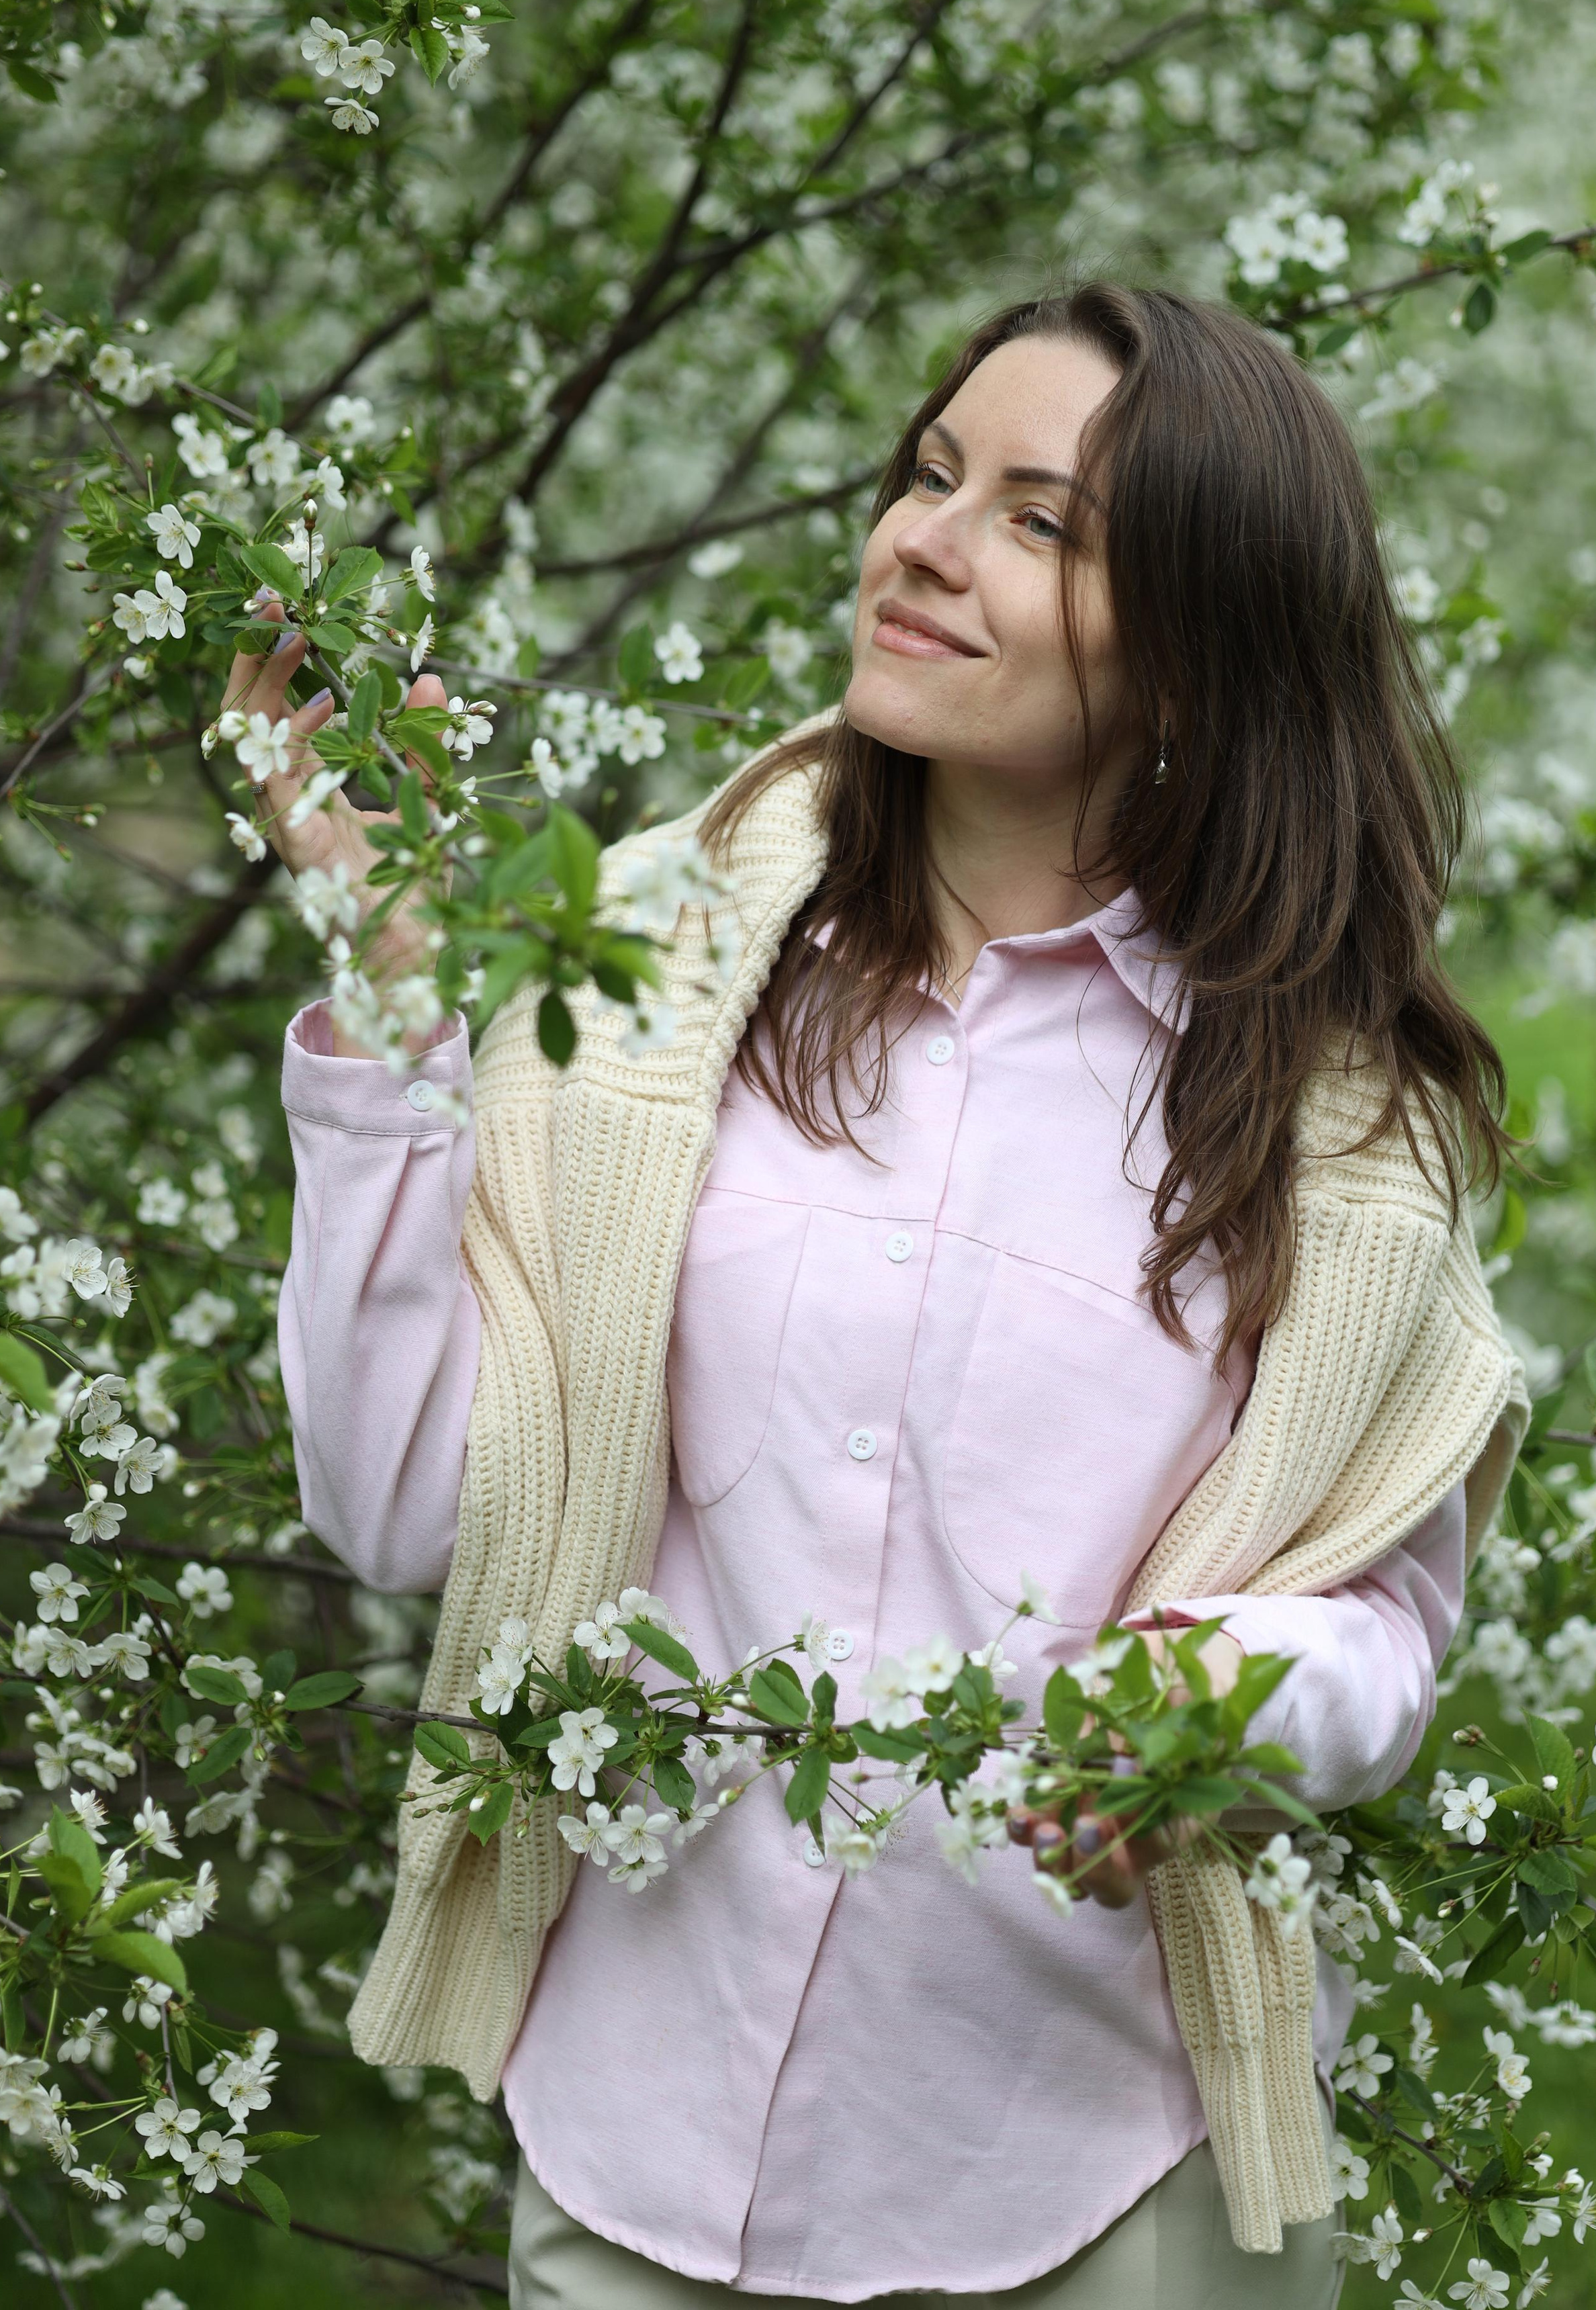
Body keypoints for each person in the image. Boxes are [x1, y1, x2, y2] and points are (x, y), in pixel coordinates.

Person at [242, 284, 1529, 2309]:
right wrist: (389, 989)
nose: (923, 540)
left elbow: (1389, 1615)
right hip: (638, 2155)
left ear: (1203, 639)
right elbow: (404, 1509)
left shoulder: (1334, 1128)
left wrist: (1228, 1691)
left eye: (1043, 522)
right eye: (932, 476)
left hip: (1087, 2174)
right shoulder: (659, 972)